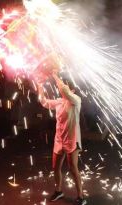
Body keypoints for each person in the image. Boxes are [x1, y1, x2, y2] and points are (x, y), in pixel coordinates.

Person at [37, 73, 86, 205]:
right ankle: (59, 191)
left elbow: (65, 91)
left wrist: (54, 74)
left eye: (66, 87)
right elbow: (43, 102)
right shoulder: (59, 102)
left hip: (72, 140)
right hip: (59, 140)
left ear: (73, 90)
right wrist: (40, 86)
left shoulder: (76, 100)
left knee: (73, 168)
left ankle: (81, 195)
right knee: (56, 167)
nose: (62, 89)